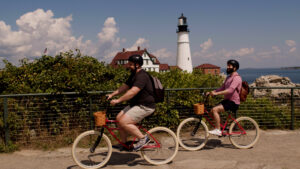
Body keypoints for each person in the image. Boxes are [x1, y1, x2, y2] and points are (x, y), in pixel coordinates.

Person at [107, 54, 156, 151]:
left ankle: (143, 138)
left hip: (145, 106)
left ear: (137, 65)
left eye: (130, 64)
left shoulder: (142, 76)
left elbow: (133, 92)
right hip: (137, 104)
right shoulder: (134, 74)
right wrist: (112, 95)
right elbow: (124, 87)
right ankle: (124, 143)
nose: (128, 66)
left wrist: (118, 100)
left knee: (123, 122)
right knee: (118, 118)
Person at [206, 59, 242, 136]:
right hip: (227, 100)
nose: (227, 67)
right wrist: (211, 92)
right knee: (212, 110)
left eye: (229, 66)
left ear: (234, 68)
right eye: (227, 65)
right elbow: (222, 88)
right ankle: (222, 129)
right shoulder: (228, 77)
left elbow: (230, 90)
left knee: (215, 110)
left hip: (233, 102)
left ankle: (218, 130)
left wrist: (217, 94)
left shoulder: (237, 78)